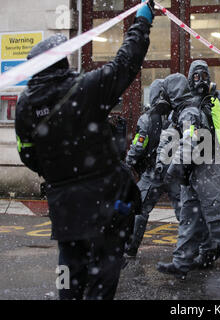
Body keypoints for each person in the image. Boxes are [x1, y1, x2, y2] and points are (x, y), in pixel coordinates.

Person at [14, 1, 154, 299]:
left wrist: (58, 171)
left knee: (69, 268)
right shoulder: (86, 88)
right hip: (105, 199)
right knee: (105, 269)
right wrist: (141, 23)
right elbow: (126, 63)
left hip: (64, 204)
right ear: (62, 62)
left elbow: (26, 153)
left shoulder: (25, 105)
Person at [156, 48, 220, 288]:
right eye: (195, 76)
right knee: (189, 215)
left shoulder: (217, 99)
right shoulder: (185, 103)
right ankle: (181, 263)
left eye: (203, 75)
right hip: (191, 166)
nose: (199, 80)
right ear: (189, 79)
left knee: (217, 220)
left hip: (211, 164)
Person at [123, 79, 182, 258]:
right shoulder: (178, 116)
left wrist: (128, 163)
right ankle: (196, 249)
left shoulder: (147, 119)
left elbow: (138, 146)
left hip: (153, 174)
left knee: (139, 209)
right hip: (175, 171)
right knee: (184, 211)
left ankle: (131, 247)